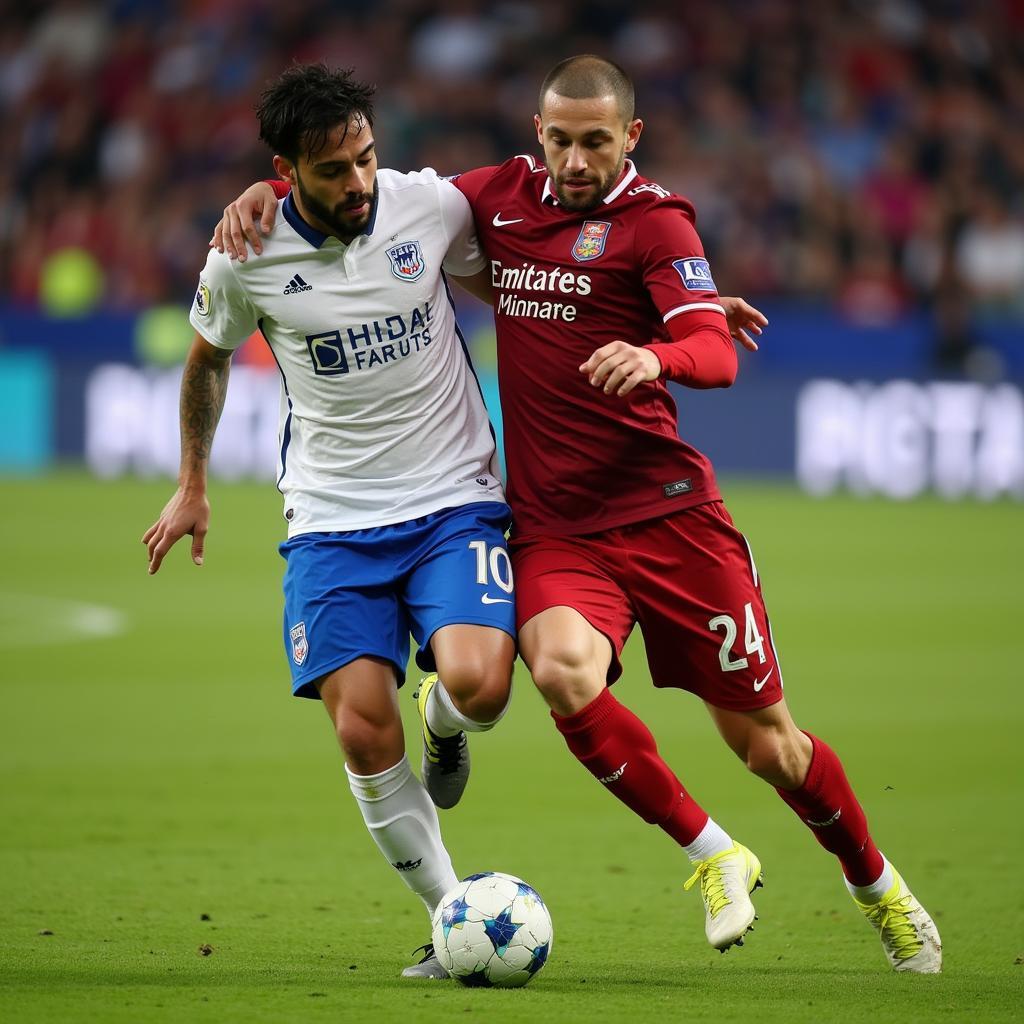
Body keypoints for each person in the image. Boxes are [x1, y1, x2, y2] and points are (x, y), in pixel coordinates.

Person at [215, 57, 940, 974]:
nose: (573, 160)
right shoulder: (500, 199)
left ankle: (880, 889)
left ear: (629, 138)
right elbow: (356, 194)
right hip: (557, 526)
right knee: (559, 671)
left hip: (673, 518)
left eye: (595, 141)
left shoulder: (657, 221)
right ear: (538, 130)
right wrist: (258, 189)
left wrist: (661, 352)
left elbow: (715, 354)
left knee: (771, 748)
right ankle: (715, 856)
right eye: (558, 139)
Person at [142, 64, 519, 980]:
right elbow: (207, 361)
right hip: (332, 520)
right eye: (332, 170)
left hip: (452, 496)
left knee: (482, 688)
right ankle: (454, 918)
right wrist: (192, 481)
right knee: (359, 729)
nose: (358, 183)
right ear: (287, 171)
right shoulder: (245, 252)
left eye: (365, 158)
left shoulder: (424, 207)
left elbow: (530, 260)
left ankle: (447, 723)